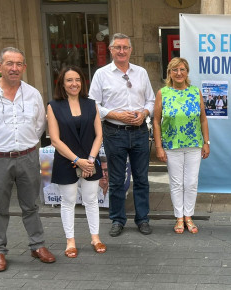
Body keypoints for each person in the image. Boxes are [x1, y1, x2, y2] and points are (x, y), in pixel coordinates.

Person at [0, 47, 55, 272]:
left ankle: (37, 245)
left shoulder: (33, 93)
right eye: (9, 63)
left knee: (31, 205)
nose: (14, 68)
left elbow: (38, 126)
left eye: (19, 64)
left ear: (24, 68)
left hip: (28, 158)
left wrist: (25, 145)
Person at [89, 33, 155, 237]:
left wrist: (143, 113)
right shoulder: (101, 74)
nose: (121, 51)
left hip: (140, 132)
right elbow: (93, 105)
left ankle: (142, 218)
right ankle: (117, 220)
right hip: (114, 131)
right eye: (117, 47)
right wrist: (115, 114)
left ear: (131, 50)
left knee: (142, 178)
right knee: (117, 179)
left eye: (125, 47)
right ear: (110, 50)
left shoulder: (141, 73)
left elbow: (151, 102)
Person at [47, 66, 106, 258]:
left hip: (90, 160)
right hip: (66, 161)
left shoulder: (91, 104)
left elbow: (99, 135)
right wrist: (76, 160)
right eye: (69, 80)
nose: (74, 84)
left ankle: (95, 238)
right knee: (68, 201)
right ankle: (70, 241)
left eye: (78, 80)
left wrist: (89, 160)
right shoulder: (53, 106)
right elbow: (55, 140)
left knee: (91, 200)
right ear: (62, 84)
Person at [153, 57, 210, 234]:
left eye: (182, 69)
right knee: (177, 183)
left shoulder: (195, 92)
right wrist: (159, 146)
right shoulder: (163, 93)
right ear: (169, 72)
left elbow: (203, 119)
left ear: (187, 72)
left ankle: (188, 216)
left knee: (191, 182)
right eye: (175, 70)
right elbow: (156, 121)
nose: (179, 73)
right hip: (171, 145)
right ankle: (179, 217)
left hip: (193, 144)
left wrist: (206, 142)